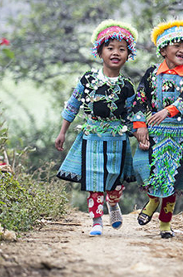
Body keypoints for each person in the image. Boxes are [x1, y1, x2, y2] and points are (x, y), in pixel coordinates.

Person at [55, 19, 138, 236]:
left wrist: (140, 132)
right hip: (91, 135)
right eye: (110, 48)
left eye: (122, 49)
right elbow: (73, 104)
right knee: (93, 178)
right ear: (99, 52)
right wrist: (63, 131)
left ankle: (113, 204)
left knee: (116, 179)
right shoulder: (88, 79)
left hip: (118, 139)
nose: (115, 53)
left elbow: (133, 114)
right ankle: (96, 221)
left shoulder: (127, 86)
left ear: (129, 55)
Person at [131, 19, 183, 239]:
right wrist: (140, 125)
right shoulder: (151, 74)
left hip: (177, 134)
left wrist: (167, 111)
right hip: (153, 133)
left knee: (171, 178)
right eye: (177, 45)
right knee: (146, 170)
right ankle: (152, 200)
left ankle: (165, 225)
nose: (182, 50)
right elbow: (140, 100)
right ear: (163, 49)